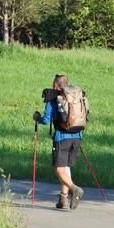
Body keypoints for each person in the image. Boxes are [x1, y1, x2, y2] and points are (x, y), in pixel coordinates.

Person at [33, 74, 85, 210]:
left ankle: (74, 189)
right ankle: (63, 199)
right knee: (66, 167)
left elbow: (45, 120)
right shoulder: (77, 97)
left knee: (59, 169)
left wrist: (37, 118)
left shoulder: (53, 99)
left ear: (55, 85)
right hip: (77, 136)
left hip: (62, 138)